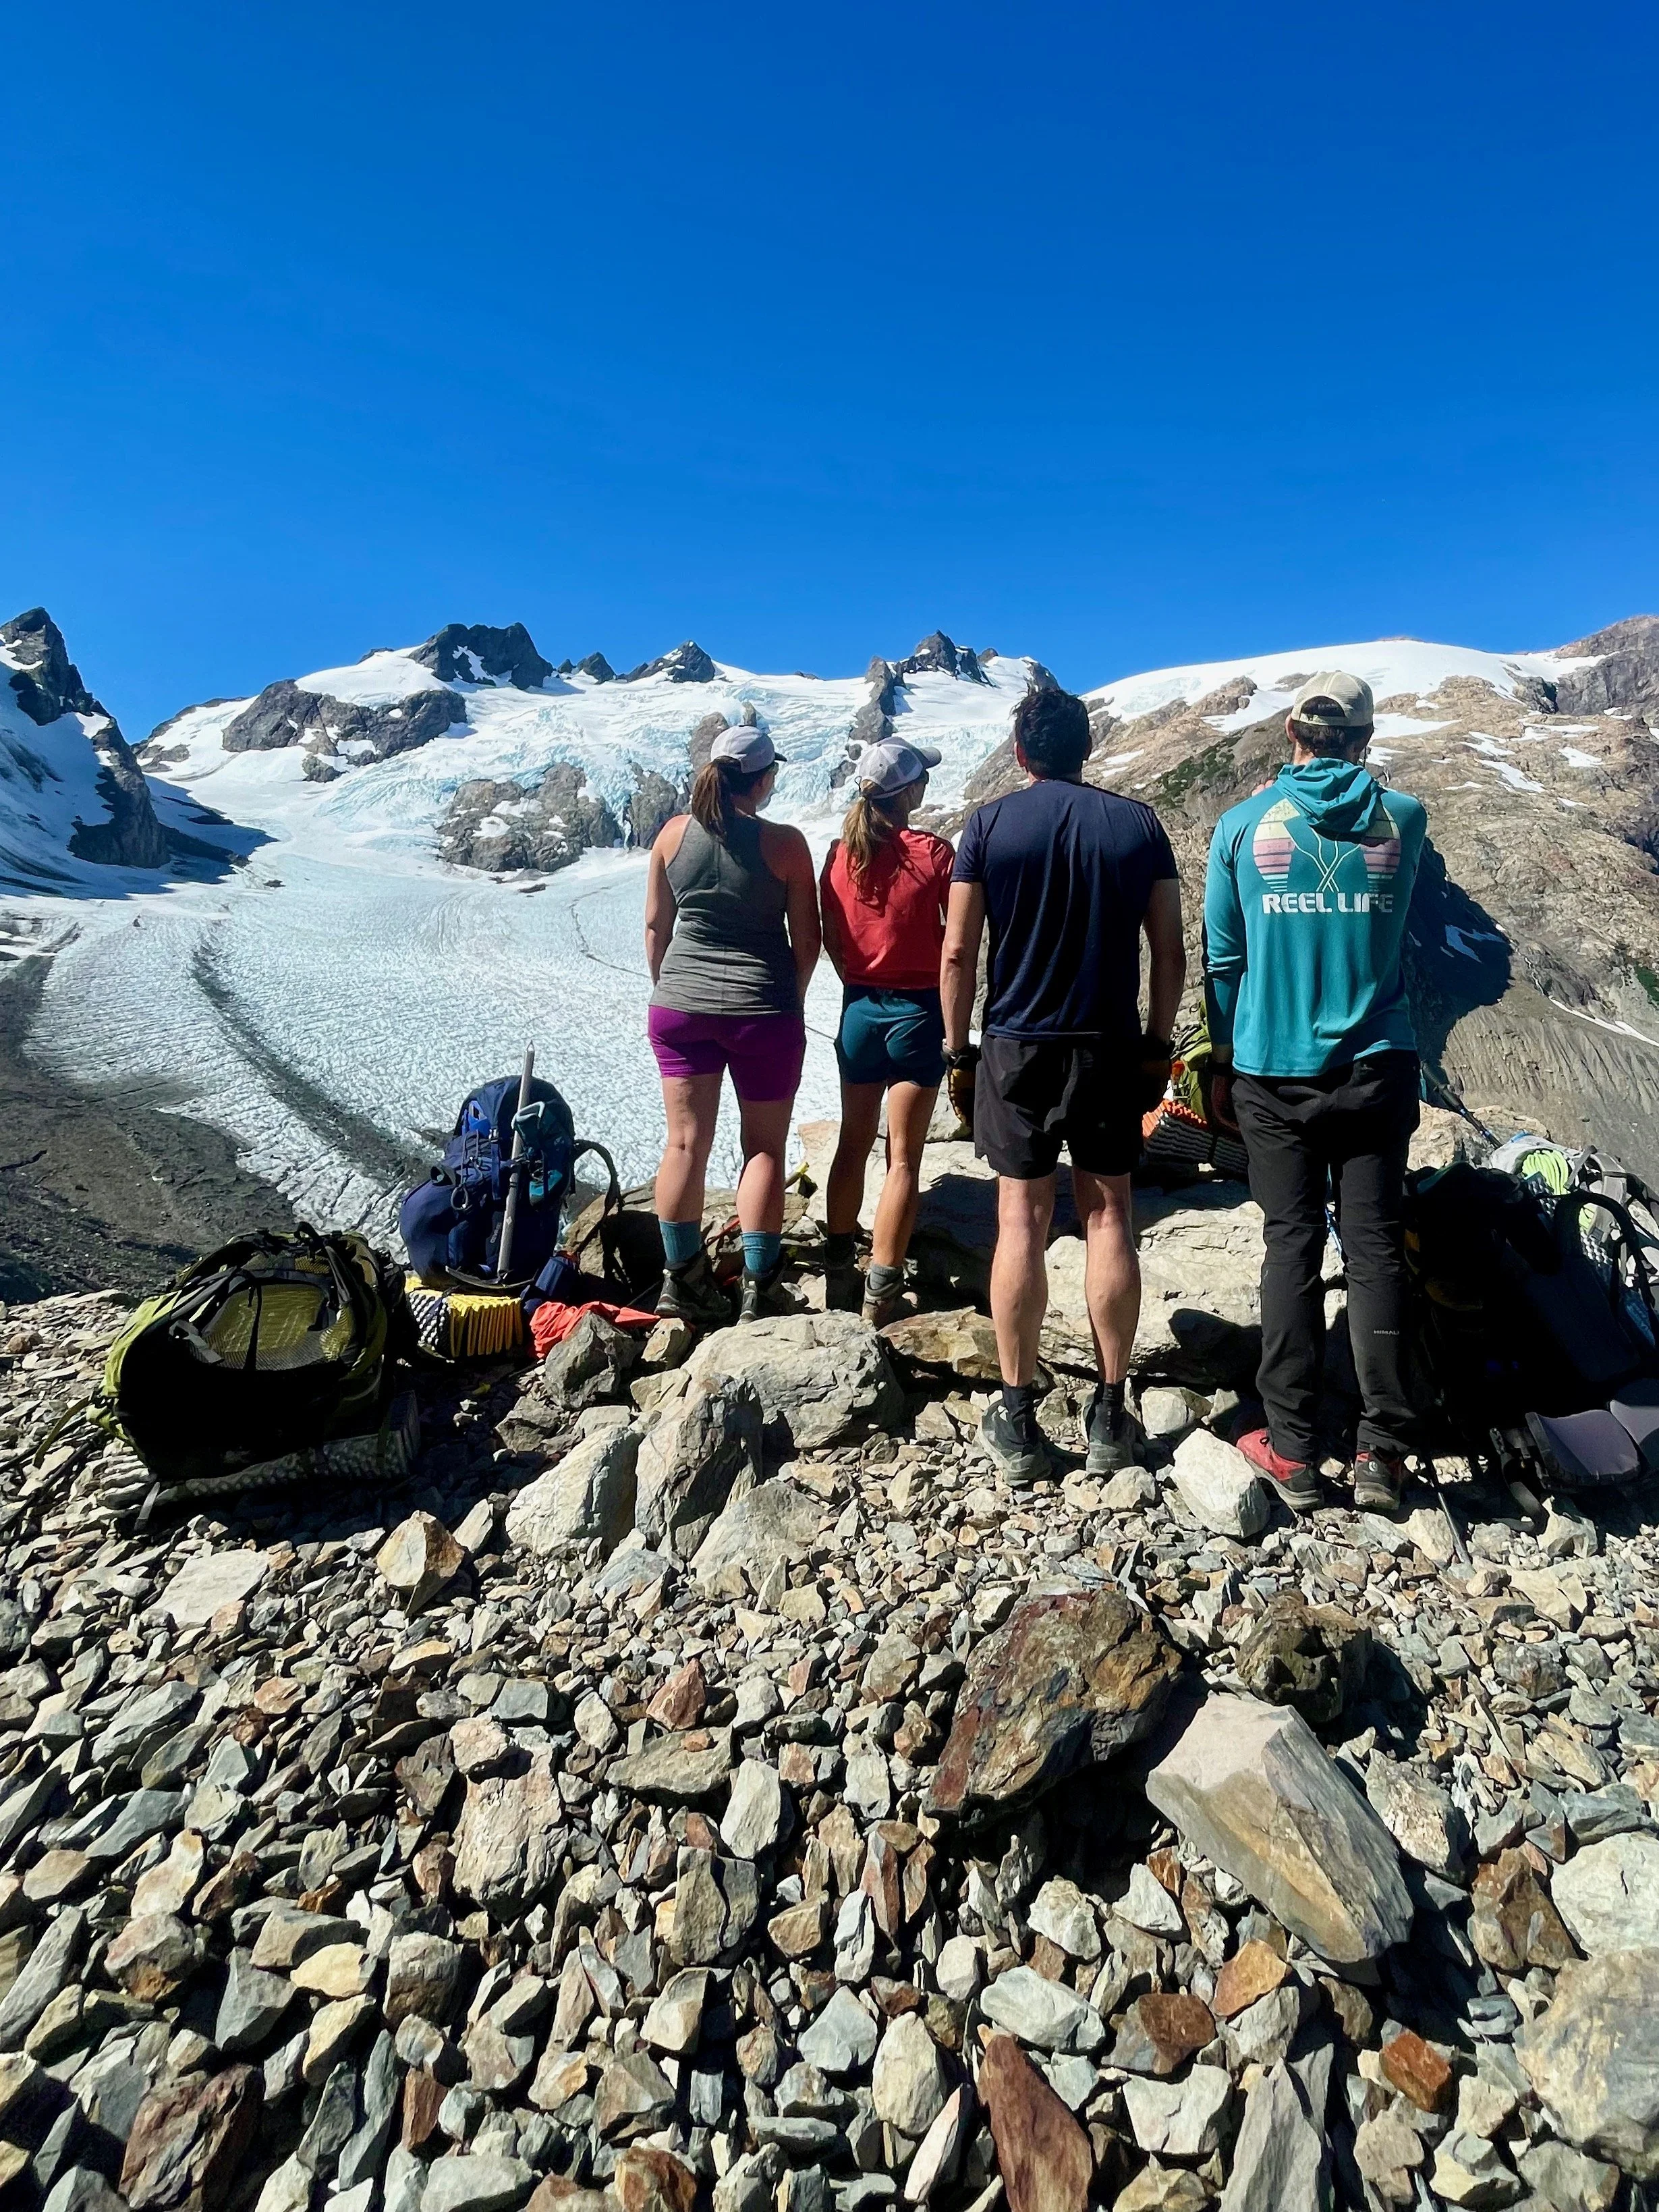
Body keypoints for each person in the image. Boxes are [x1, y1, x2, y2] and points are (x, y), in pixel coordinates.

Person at [941, 687, 1185, 1485]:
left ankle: (1015, 1416)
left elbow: (956, 955)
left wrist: (957, 1052)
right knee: (1109, 1212)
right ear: (1086, 747)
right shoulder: (1138, 825)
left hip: (1016, 1045)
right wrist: (1155, 1044)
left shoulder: (986, 827)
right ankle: (1112, 1411)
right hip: (1110, 1043)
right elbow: (1169, 950)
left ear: (1020, 750)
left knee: (1022, 1217)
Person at [1203, 670, 1428, 1514]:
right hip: (1376, 1060)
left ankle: (1292, 1448)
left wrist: (1221, 1059)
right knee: (1372, 1245)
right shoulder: (1402, 821)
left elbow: (1223, 958)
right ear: (1363, 741)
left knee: (1288, 1245)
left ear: (1290, 737)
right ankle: (1383, 1448)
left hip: (1269, 1068)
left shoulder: (1238, 826)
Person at [645, 725, 820, 1325]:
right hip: (762, 1010)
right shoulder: (787, 845)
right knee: (764, 1149)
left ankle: (682, 1281)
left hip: (678, 1006)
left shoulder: (671, 835)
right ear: (764, 779)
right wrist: (784, 999)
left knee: (684, 1143)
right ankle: (758, 1288)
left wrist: (670, 990)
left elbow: (654, 928)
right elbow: (807, 939)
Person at [819, 739, 955, 1325]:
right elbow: (962, 937)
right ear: (910, 793)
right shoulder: (934, 855)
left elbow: (830, 937)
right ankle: (881, 1290)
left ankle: (836, 1270)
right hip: (917, 1013)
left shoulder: (837, 854)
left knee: (853, 1141)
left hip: (858, 1012)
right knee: (903, 1158)